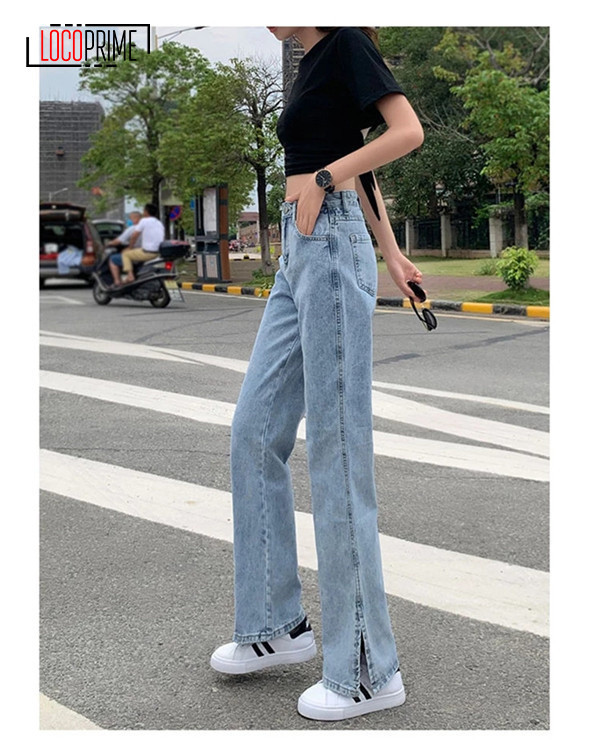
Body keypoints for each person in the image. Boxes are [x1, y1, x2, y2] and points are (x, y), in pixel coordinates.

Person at [210, 27, 425, 722]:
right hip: (300, 250)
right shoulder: (309, 65)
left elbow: (406, 133)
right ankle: (276, 626)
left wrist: (328, 180)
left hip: (329, 240)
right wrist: (393, 252)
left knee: (336, 451)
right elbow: (365, 166)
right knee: (253, 432)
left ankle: (367, 669)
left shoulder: (344, 42)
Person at [108, 203, 165, 286]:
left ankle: (130, 276)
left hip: (148, 253)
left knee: (126, 254)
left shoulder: (144, 221)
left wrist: (130, 247)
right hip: (157, 252)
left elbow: (134, 235)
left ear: (146, 212)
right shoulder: (159, 223)